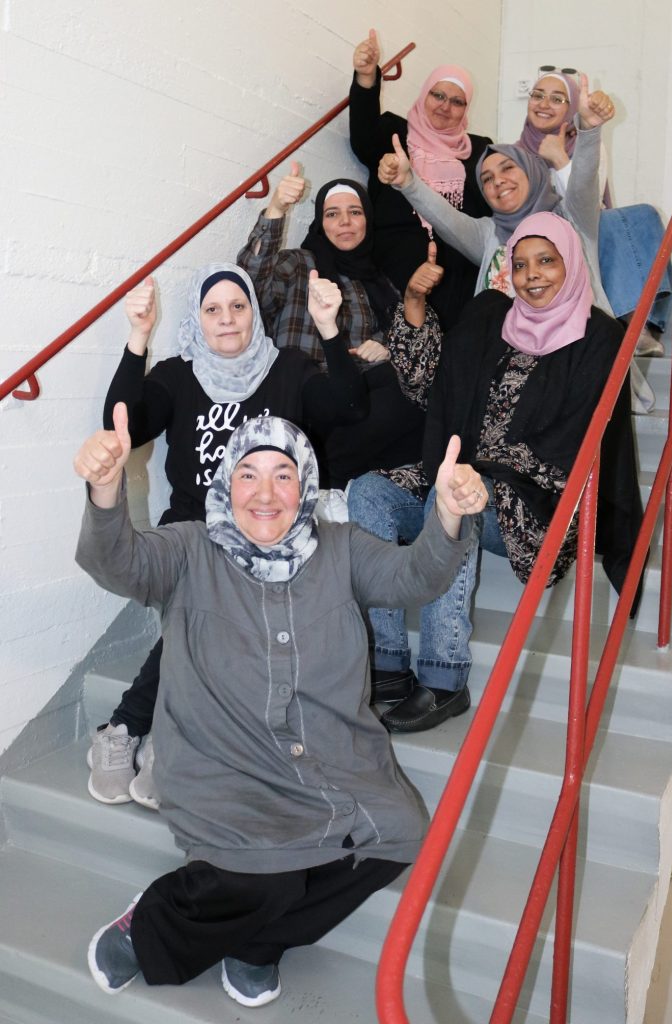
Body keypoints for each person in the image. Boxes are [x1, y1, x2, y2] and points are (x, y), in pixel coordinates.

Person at [74, 412, 484, 1007]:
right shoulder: (190, 549)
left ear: (305, 485)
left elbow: (413, 578)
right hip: (224, 767)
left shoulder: (342, 548)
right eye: (249, 475)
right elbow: (118, 563)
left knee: (399, 833)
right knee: (272, 879)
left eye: (283, 475)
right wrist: (106, 490)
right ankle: (150, 928)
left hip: (331, 761)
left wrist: (445, 514)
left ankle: (259, 944)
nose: (265, 494)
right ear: (227, 483)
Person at [348, 213, 642, 733]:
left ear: (571, 264)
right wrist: (413, 304)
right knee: (368, 493)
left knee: (459, 495)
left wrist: (478, 476)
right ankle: (387, 663)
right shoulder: (490, 316)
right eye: (520, 264)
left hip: (537, 503)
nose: (532, 275)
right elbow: (428, 388)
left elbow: (579, 442)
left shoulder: (599, 336)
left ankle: (444, 677)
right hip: (462, 477)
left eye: (546, 261)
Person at [88, 262, 369, 808]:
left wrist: (329, 328)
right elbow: (123, 424)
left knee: (215, 616)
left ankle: (132, 728)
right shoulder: (178, 374)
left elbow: (350, 408)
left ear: (253, 313)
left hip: (266, 533)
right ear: (198, 319)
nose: (227, 318)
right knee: (206, 602)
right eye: (212, 309)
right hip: (192, 529)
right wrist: (138, 337)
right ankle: (160, 737)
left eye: (238, 306)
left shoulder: (288, 369)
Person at [377, 72, 655, 414]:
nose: (498, 181)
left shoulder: (570, 219)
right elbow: (445, 217)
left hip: (572, 363)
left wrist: (589, 130)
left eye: (508, 169)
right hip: (502, 375)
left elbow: (583, 183)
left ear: (532, 171)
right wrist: (407, 182)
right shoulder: (490, 234)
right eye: (487, 178)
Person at [238, 170, 445, 488]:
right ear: (321, 223)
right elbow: (249, 284)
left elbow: (403, 339)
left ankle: (349, 487)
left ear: (367, 220)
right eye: (332, 214)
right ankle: (320, 478)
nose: (345, 222)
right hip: (306, 401)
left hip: (356, 404)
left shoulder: (378, 281)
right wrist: (276, 208)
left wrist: (385, 346)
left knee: (420, 398)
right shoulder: (299, 264)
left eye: (355, 212)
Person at [517, 69, 672, 356]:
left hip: (585, 228)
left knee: (642, 216)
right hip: (540, 236)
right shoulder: (512, 155)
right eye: (538, 95)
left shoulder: (588, 143)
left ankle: (638, 322)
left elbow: (586, 205)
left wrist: (560, 159)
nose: (544, 104)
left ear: (571, 108)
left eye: (557, 99)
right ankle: (631, 323)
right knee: (605, 225)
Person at [348, 29, 493, 328]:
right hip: (395, 261)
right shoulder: (394, 132)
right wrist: (366, 76)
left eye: (457, 101)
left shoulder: (479, 150)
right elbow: (362, 138)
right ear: (424, 94)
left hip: (457, 272)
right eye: (438, 95)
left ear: (466, 109)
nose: (445, 106)